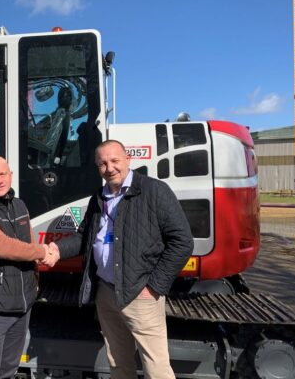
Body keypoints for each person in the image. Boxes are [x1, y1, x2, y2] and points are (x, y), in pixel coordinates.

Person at [46, 139, 194, 379]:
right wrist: (57, 250)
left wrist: (154, 286)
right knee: (118, 362)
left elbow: (182, 241)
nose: (109, 168)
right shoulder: (99, 198)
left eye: (115, 161)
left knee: (156, 368)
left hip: (140, 293)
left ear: (128, 159)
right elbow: (85, 237)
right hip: (106, 292)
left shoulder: (154, 191)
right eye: (102, 164)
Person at [0, 155, 55, 379]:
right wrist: (44, 252)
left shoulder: (19, 205)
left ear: (11, 176)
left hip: (22, 305)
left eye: (3, 174)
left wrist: (35, 280)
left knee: (8, 371)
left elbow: (28, 241)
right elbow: (3, 247)